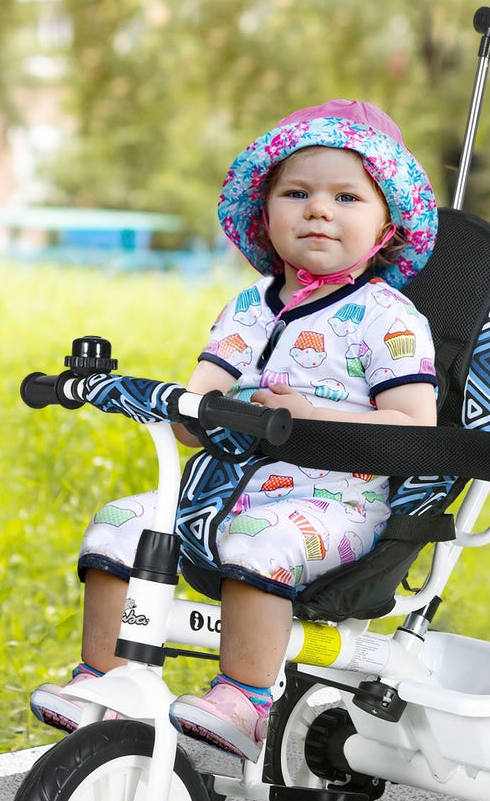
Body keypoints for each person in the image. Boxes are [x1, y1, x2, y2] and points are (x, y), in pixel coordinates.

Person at [30, 100, 439, 760]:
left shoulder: (385, 316)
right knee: (120, 523)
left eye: (345, 195)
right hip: (224, 494)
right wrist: (157, 401)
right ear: (266, 210)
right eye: (297, 192)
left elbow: (414, 428)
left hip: (334, 501)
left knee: (261, 542)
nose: (318, 209)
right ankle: (104, 682)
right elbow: (201, 406)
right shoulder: (248, 309)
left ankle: (246, 700)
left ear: (387, 226)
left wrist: (314, 416)